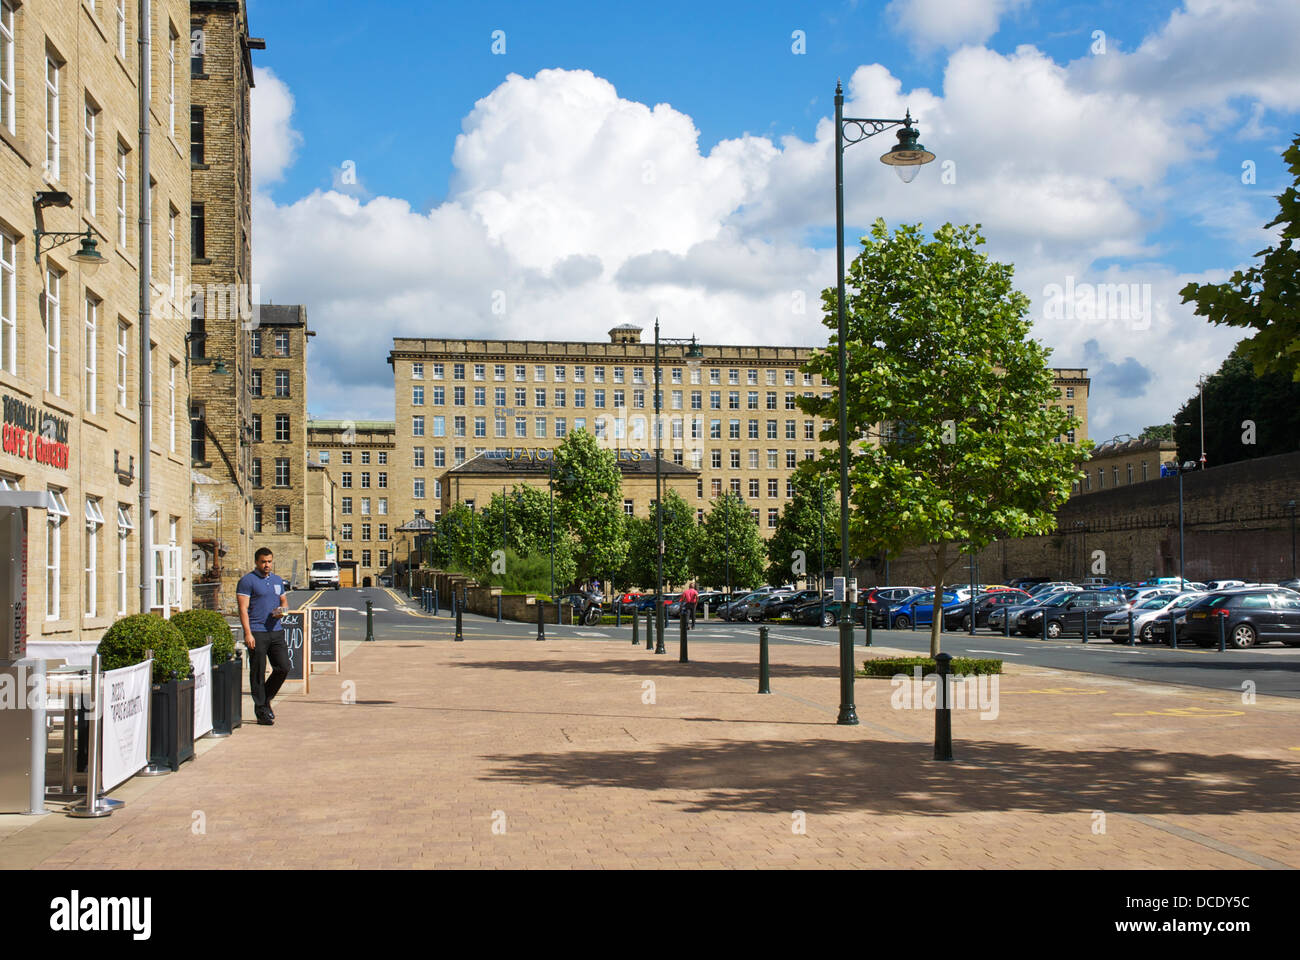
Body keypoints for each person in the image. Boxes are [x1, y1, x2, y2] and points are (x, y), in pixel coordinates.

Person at [237, 547, 290, 726]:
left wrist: (282, 611)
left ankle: (265, 699)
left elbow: (283, 601)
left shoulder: (277, 580)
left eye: (269, 561)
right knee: (258, 672)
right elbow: (243, 608)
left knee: (283, 667)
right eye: (263, 562)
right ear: (257, 562)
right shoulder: (247, 581)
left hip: (275, 630)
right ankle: (261, 711)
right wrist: (247, 633)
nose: (267, 565)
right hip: (257, 631)